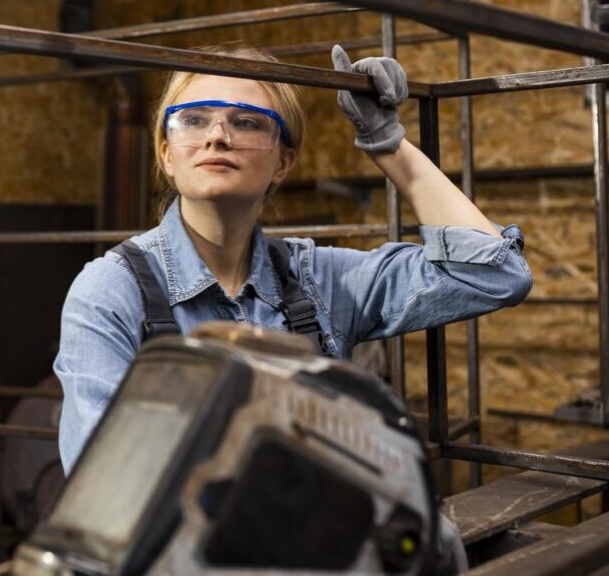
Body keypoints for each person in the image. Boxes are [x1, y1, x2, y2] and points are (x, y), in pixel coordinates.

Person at [54, 43, 532, 475]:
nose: (217, 136)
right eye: (193, 120)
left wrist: (389, 144)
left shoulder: (316, 279)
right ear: (166, 153)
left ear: (283, 163)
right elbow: (105, 481)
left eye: (245, 122)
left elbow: (493, 274)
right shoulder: (112, 292)